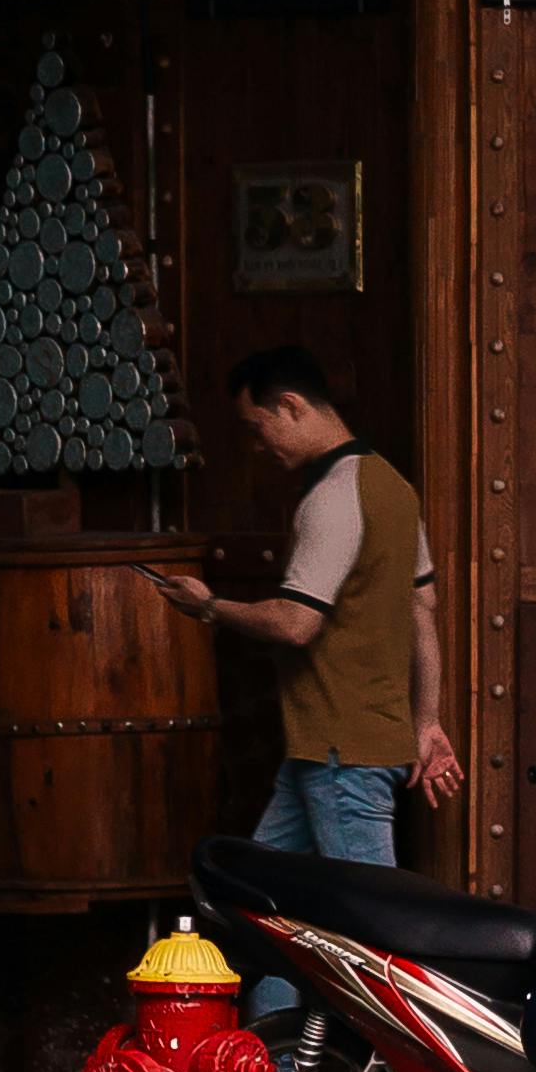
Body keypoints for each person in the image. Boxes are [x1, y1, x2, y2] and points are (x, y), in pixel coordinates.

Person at [155, 345, 461, 1025]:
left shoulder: (332, 496)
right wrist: (427, 722)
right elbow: (423, 612)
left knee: (379, 942)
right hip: (325, 754)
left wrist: (210, 607)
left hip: (341, 758)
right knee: (263, 910)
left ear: (290, 407)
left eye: (258, 428)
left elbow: (296, 623)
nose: (258, 446)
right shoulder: (394, 485)